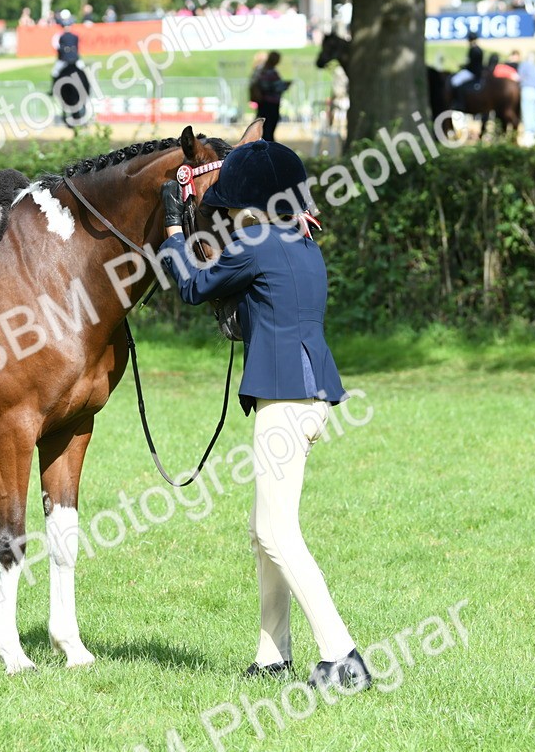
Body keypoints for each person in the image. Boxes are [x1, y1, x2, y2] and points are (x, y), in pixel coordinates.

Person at [158, 139, 371, 692]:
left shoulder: (254, 243)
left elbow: (189, 287)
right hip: (313, 396)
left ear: (249, 205)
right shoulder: (302, 244)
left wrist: (178, 232)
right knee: (262, 530)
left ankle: (342, 654)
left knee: (278, 531)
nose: (224, 212)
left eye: (229, 205)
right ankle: (273, 654)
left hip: (282, 400)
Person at [250, 51, 289, 142]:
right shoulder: (270, 71)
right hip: (271, 103)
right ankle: (268, 147)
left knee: (263, 126)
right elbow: (271, 87)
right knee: (269, 128)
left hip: (263, 103)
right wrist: (284, 85)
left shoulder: (260, 70)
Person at [450, 32, 484, 111]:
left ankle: (459, 102)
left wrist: (463, 66)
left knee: (455, 81)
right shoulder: (479, 49)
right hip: (477, 72)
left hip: (472, 72)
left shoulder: (473, 50)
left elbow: (471, 64)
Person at [518, 52, 535, 145]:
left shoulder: (524, 65)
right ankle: (534, 133)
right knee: (533, 112)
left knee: (527, 113)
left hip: (526, 90)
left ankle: (529, 135)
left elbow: (519, 77)